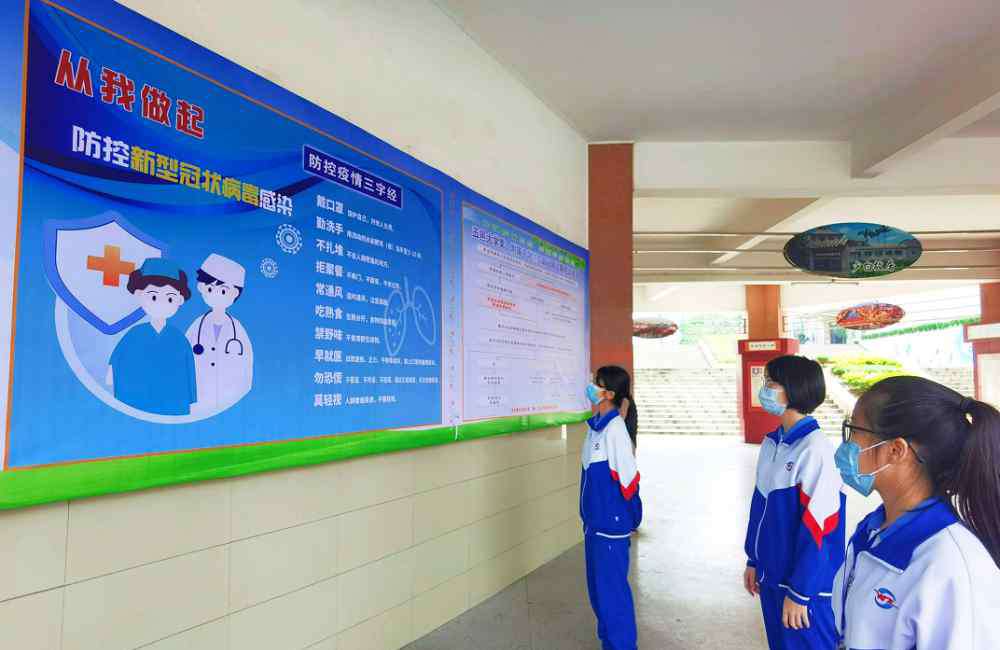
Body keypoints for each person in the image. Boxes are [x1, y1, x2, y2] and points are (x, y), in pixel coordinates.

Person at [833, 376, 1000, 648]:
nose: (847, 445)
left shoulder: (950, 564)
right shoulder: (872, 530)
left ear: (895, 450)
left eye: (853, 431)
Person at [743, 355, 845, 650]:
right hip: (773, 578)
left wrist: (801, 591)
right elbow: (760, 508)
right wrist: (753, 559)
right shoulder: (772, 443)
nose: (764, 388)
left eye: (771, 382)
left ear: (794, 388)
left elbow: (820, 527)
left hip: (804, 590)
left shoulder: (815, 449)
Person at [580, 365, 642, 650]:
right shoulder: (596, 427)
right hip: (594, 526)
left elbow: (629, 482)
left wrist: (628, 519)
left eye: (597, 383)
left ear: (610, 393)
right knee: (599, 596)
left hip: (610, 529)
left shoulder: (615, 430)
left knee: (612, 597)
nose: (591, 386)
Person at [106, 258, 197, 416]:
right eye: (153, 296)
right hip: (136, 401)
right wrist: (111, 378)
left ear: (180, 300)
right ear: (139, 295)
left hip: (172, 403)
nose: (161, 303)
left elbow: (189, 372)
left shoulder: (179, 339)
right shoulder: (134, 334)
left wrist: (192, 400)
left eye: (170, 298)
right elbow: (115, 363)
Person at [185, 253, 253, 414]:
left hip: (231, 404)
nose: (215, 294)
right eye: (210, 288)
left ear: (234, 294)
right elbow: (185, 363)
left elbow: (247, 370)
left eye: (223, 291)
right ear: (201, 288)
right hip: (199, 403)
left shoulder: (238, 331)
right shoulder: (196, 327)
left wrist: (236, 397)